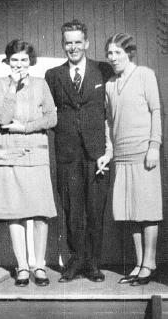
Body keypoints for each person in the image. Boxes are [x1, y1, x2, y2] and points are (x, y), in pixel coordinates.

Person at [45, 19, 113, 283]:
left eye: (77, 42)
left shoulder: (103, 71)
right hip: (68, 155)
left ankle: (93, 264)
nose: (73, 47)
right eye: (68, 42)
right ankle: (75, 262)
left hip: (98, 154)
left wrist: (108, 147)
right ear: (63, 45)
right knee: (72, 211)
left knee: (95, 210)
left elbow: (111, 110)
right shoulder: (54, 75)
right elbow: (49, 114)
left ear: (86, 43)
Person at [0, 39, 57, 287]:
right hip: (10, 156)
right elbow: (2, 118)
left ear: (31, 62)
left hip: (36, 154)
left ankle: (39, 264)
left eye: (24, 60)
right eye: (14, 60)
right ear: (8, 61)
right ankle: (22, 266)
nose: (19, 64)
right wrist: (13, 87)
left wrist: (25, 127)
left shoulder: (41, 84)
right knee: (14, 213)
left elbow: (52, 117)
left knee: (40, 214)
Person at [98, 32, 162, 286]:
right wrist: (109, 152)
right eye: (109, 53)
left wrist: (154, 146)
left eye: (117, 53)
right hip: (122, 156)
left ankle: (150, 262)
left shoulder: (145, 75)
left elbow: (156, 111)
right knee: (130, 212)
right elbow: (109, 122)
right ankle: (139, 263)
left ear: (129, 53)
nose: (112, 58)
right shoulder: (111, 85)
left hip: (144, 152)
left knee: (147, 211)